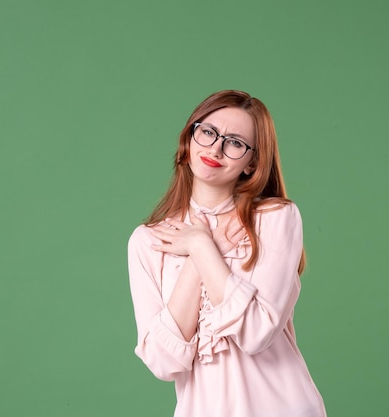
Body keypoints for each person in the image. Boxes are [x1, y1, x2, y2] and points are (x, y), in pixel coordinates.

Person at [127, 90, 326, 417]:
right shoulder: (148, 241)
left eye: (235, 142)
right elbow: (163, 363)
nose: (215, 148)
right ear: (189, 139)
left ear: (252, 163)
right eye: (207, 132)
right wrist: (200, 249)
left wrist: (200, 246)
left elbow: (255, 334)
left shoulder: (274, 218)